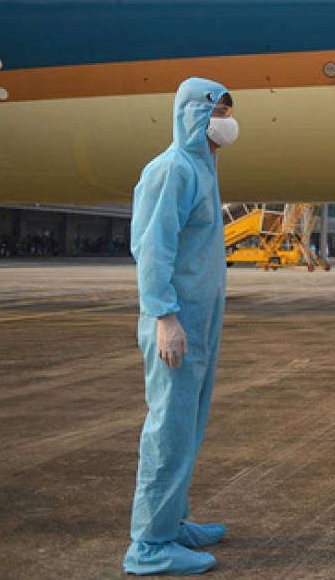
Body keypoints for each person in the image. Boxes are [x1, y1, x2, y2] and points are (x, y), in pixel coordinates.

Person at [124, 78, 239, 576]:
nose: (228, 120)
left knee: (188, 426)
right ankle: (149, 545)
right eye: (219, 110)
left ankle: (172, 523)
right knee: (169, 430)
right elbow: (152, 249)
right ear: (194, 114)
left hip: (200, 321)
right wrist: (164, 315)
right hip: (176, 321)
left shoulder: (202, 169)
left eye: (230, 110)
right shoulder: (171, 170)